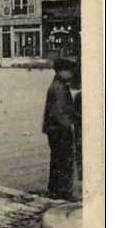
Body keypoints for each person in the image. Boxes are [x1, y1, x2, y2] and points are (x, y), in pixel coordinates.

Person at [42, 57, 79, 200]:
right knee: (63, 160)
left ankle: (56, 189)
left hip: (54, 129)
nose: (71, 73)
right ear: (62, 71)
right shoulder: (58, 87)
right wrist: (69, 125)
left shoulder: (59, 84)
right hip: (59, 130)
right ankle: (62, 191)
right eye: (69, 71)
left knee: (58, 160)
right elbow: (59, 112)